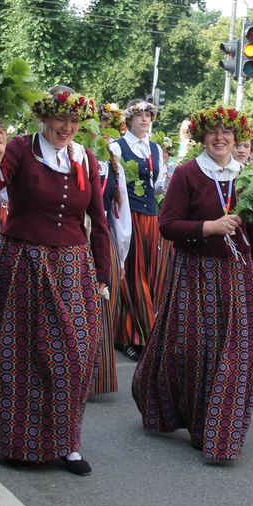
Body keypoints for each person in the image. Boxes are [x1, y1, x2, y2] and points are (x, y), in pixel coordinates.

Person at [0, 86, 110, 476]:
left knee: (74, 353)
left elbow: (98, 220)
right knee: (22, 353)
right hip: (24, 261)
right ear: (44, 117)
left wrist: (102, 274)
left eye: (73, 120)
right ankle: (18, 440)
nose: (66, 127)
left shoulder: (85, 157)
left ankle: (67, 442)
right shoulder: (20, 148)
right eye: (59, 119)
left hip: (72, 265)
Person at [132, 106, 253, 462]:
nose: (219, 137)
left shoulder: (248, 177)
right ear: (201, 137)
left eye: (226, 132)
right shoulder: (188, 174)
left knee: (237, 354)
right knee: (194, 351)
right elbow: (168, 225)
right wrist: (209, 227)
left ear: (237, 138)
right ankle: (194, 418)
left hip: (238, 275)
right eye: (212, 132)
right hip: (196, 272)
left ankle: (221, 431)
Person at [111, 99, 166, 361]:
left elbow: (159, 185)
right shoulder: (118, 147)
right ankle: (133, 335)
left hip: (150, 217)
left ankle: (136, 332)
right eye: (140, 115)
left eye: (148, 115)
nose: (145, 119)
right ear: (129, 119)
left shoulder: (154, 148)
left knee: (149, 273)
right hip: (128, 214)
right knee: (133, 273)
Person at [89, 102, 132, 396]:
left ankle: (95, 376)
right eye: (99, 128)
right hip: (77, 236)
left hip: (104, 240)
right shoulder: (79, 159)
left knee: (103, 304)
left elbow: (121, 213)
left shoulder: (115, 167)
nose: (104, 134)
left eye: (109, 130)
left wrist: (121, 256)